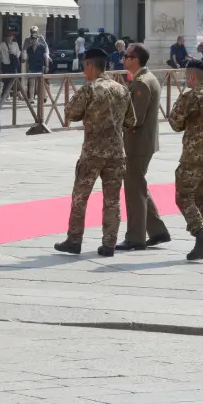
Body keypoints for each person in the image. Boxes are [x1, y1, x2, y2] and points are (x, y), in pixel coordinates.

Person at [54, 48, 135, 257]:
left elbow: (70, 113)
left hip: (92, 152)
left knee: (80, 197)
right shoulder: (122, 89)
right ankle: (109, 244)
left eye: (84, 66)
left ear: (90, 66)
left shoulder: (89, 89)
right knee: (112, 199)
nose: (83, 71)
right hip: (117, 153)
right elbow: (130, 121)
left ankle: (74, 240)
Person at [117, 44, 171, 251]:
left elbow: (135, 119)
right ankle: (157, 231)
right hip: (141, 142)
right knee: (138, 186)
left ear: (135, 59)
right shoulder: (145, 79)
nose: (124, 59)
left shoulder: (142, 83)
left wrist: (115, 124)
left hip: (137, 143)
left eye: (127, 56)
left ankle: (135, 237)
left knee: (133, 190)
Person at [168, 59, 203, 260]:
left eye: (186, 77)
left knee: (183, 196)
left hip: (194, 156)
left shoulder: (192, 96)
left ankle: (200, 233)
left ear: (192, 77)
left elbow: (175, 123)